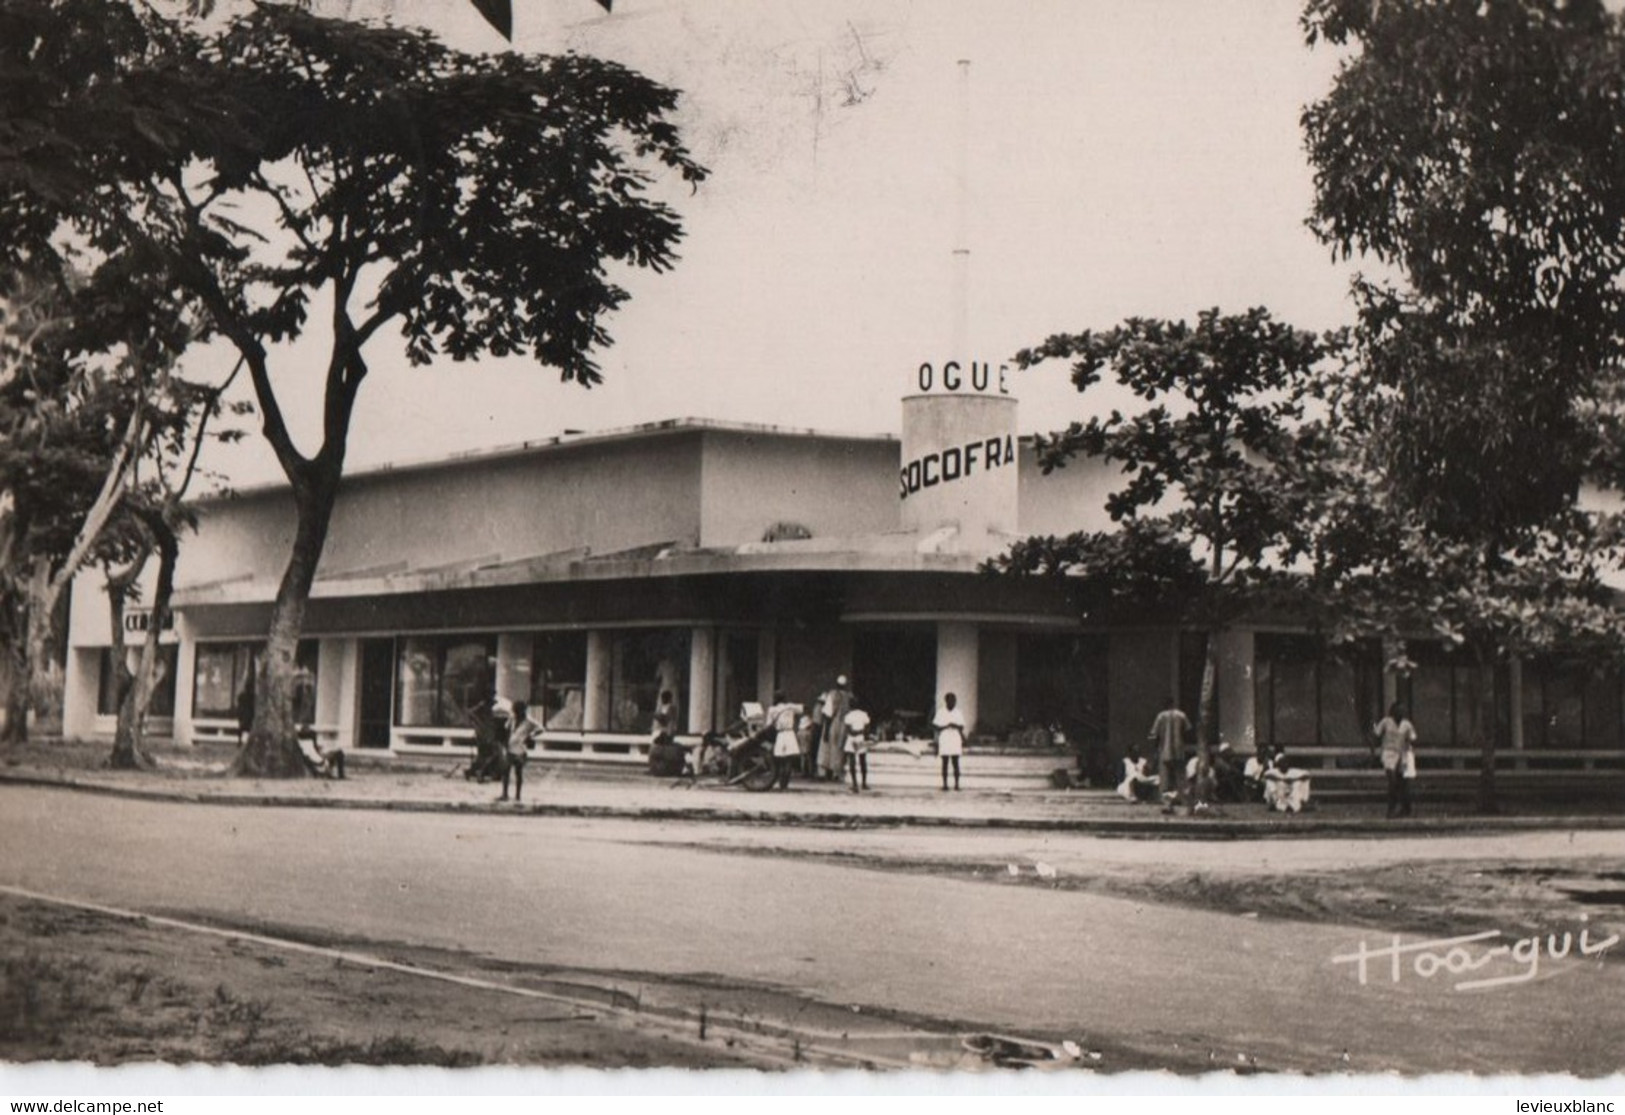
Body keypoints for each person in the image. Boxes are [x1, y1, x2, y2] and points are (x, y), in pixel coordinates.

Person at [1374, 700, 1418, 819]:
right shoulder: (1386, 722)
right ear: (1393, 712)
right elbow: (1377, 734)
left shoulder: (1407, 724)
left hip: (1402, 754)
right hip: (1388, 753)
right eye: (1398, 711)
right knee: (1392, 781)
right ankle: (1391, 810)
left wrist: (1408, 746)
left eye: (1402, 711)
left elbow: (1413, 738)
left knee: (1404, 782)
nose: (1400, 713)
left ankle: (1406, 808)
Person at [1147, 698, 1192, 805]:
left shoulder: (1160, 716)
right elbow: (1188, 731)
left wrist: (1156, 750)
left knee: (1165, 778)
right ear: (1173, 704)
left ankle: (1166, 801)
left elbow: (1155, 735)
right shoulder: (1181, 715)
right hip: (1179, 750)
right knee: (1180, 777)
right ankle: (1183, 799)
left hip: (1164, 751)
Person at [499, 699, 542, 803]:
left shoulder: (529, 721)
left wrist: (531, 736)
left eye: (517, 711)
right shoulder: (512, 719)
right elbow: (506, 730)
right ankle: (505, 794)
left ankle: (518, 795)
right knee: (506, 771)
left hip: (520, 749)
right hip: (510, 747)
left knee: (518, 773)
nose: (516, 713)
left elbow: (541, 728)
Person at [818, 676, 852, 781]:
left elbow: (828, 713)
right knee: (839, 749)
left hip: (833, 723)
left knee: (827, 747)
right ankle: (836, 773)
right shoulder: (848, 696)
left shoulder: (832, 695)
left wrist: (826, 729)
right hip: (844, 724)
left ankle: (825, 773)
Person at [766, 690, 801, 790]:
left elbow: (768, 724)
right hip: (790, 734)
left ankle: (781, 784)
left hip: (780, 735)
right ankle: (785, 785)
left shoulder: (772, 709)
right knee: (789, 761)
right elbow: (803, 709)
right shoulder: (790, 707)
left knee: (781, 761)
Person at [933, 692, 966, 791]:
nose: (953, 703)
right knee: (945, 762)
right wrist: (946, 726)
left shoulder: (958, 712)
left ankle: (956, 784)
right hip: (945, 738)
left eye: (954, 701)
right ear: (946, 701)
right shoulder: (941, 712)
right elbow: (936, 726)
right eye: (951, 701)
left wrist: (954, 725)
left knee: (955, 762)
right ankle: (945, 784)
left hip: (955, 738)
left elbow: (962, 726)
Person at [843, 705, 872, 792]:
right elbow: (867, 728)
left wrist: (854, 733)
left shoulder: (848, 716)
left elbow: (848, 729)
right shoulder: (864, 715)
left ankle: (854, 784)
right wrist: (864, 736)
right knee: (863, 761)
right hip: (861, 737)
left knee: (852, 761)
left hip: (851, 738)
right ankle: (864, 783)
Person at [235, 673, 255, 745]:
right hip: (247, 714)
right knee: (245, 727)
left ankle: (239, 741)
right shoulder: (250, 696)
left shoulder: (244, 696)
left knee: (242, 727)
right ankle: (240, 741)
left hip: (246, 714)